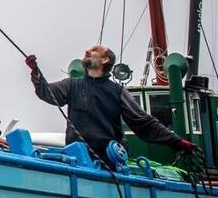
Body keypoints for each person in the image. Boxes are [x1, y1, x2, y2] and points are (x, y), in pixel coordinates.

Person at [25, 45, 196, 166]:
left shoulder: (117, 92)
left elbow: (144, 122)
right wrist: (35, 71)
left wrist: (177, 141)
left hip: (108, 162)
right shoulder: (72, 85)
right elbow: (47, 92)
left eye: (93, 51)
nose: (86, 52)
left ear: (105, 59)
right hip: (76, 159)